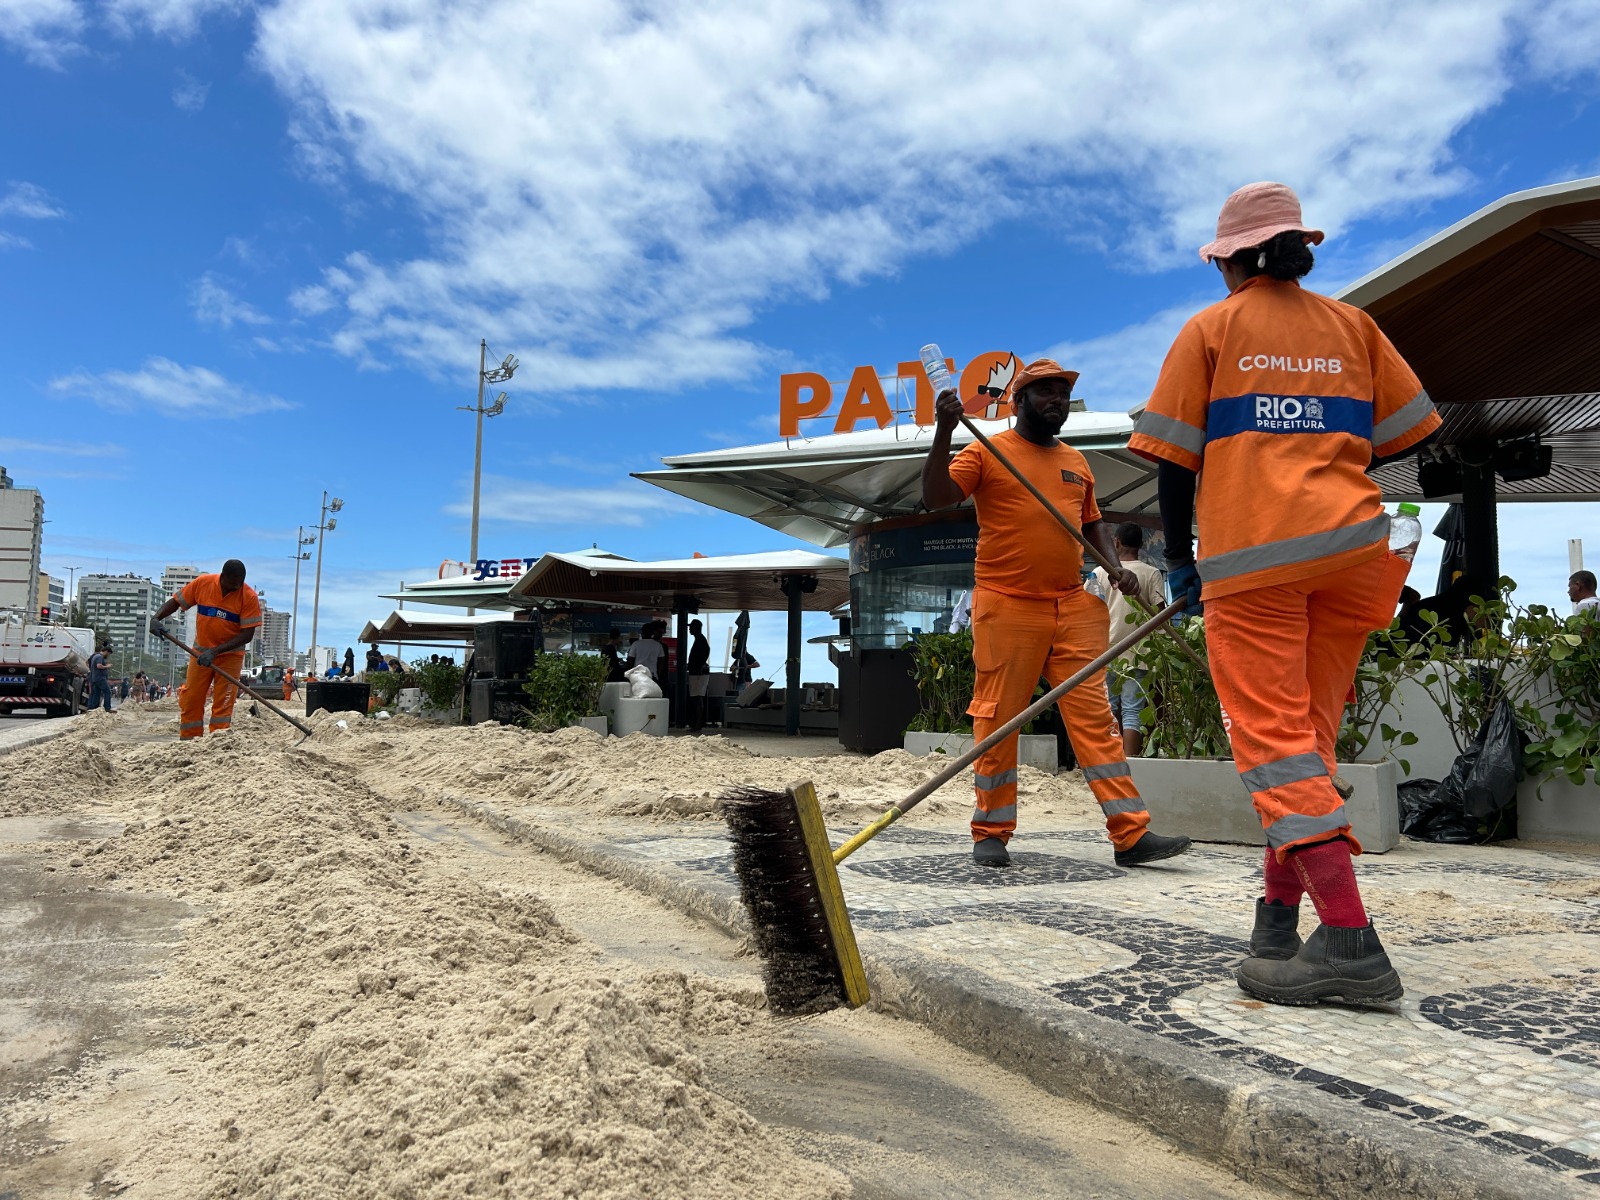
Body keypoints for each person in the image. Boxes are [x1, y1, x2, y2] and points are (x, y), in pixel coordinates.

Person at [1131, 182, 1441, 1008]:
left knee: (1272, 749)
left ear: (1230, 259)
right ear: (1297, 247)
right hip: (1355, 552)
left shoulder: (1213, 329)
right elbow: (1401, 437)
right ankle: (1276, 921)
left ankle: (1347, 942)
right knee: (1307, 744)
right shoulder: (1353, 325)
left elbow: (1172, 459)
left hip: (1256, 562)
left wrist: (1186, 561)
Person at [922, 356, 1191, 870]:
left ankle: (1130, 834)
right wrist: (943, 431)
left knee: (1096, 720)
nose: (1057, 401)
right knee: (999, 720)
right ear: (1018, 401)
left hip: (1071, 604)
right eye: (1045, 392)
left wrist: (1115, 567)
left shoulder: (1077, 461)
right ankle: (992, 831)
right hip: (1006, 604)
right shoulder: (987, 450)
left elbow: (1091, 524)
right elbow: (935, 497)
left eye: (1063, 394)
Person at [147, 559, 262, 739]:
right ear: (222, 577)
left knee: (223, 704)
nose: (236, 588)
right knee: (191, 698)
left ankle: (218, 742)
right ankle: (189, 740)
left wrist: (215, 651)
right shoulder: (203, 584)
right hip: (200, 653)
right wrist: (156, 618)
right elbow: (177, 601)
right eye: (233, 584)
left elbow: (247, 635)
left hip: (230, 657)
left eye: (240, 584)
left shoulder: (249, 597)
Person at [1091, 523, 1167, 756]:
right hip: (1140, 653)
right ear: (1141, 546)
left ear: (1116, 543)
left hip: (1106, 650)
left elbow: (1087, 608)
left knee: (1108, 709)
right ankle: (1132, 762)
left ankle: (1108, 761)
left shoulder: (1099, 573)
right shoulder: (1151, 573)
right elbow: (1161, 612)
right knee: (1133, 710)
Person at [686, 618, 712, 731]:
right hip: (697, 672)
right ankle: (697, 723)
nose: (689, 629)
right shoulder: (700, 639)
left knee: (697, 697)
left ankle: (698, 724)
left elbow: (706, 650)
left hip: (698, 673)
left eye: (691, 627)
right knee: (697, 697)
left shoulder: (700, 640)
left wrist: (700, 665)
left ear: (696, 628)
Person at [628, 622, 666, 688]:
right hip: (652, 675)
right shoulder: (658, 645)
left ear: (642, 632)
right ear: (652, 633)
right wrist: (658, 674)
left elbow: (630, 660)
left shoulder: (636, 644)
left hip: (638, 675)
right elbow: (661, 662)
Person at [86, 643, 113, 712]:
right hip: (100, 678)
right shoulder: (99, 657)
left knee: (96, 693)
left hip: (94, 678)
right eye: (108, 654)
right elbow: (99, 666)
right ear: (106, 651)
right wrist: (107, 666)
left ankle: (94, 708)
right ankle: (107, 707)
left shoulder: (95, 656)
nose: (108, 656)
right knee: (107, 692)